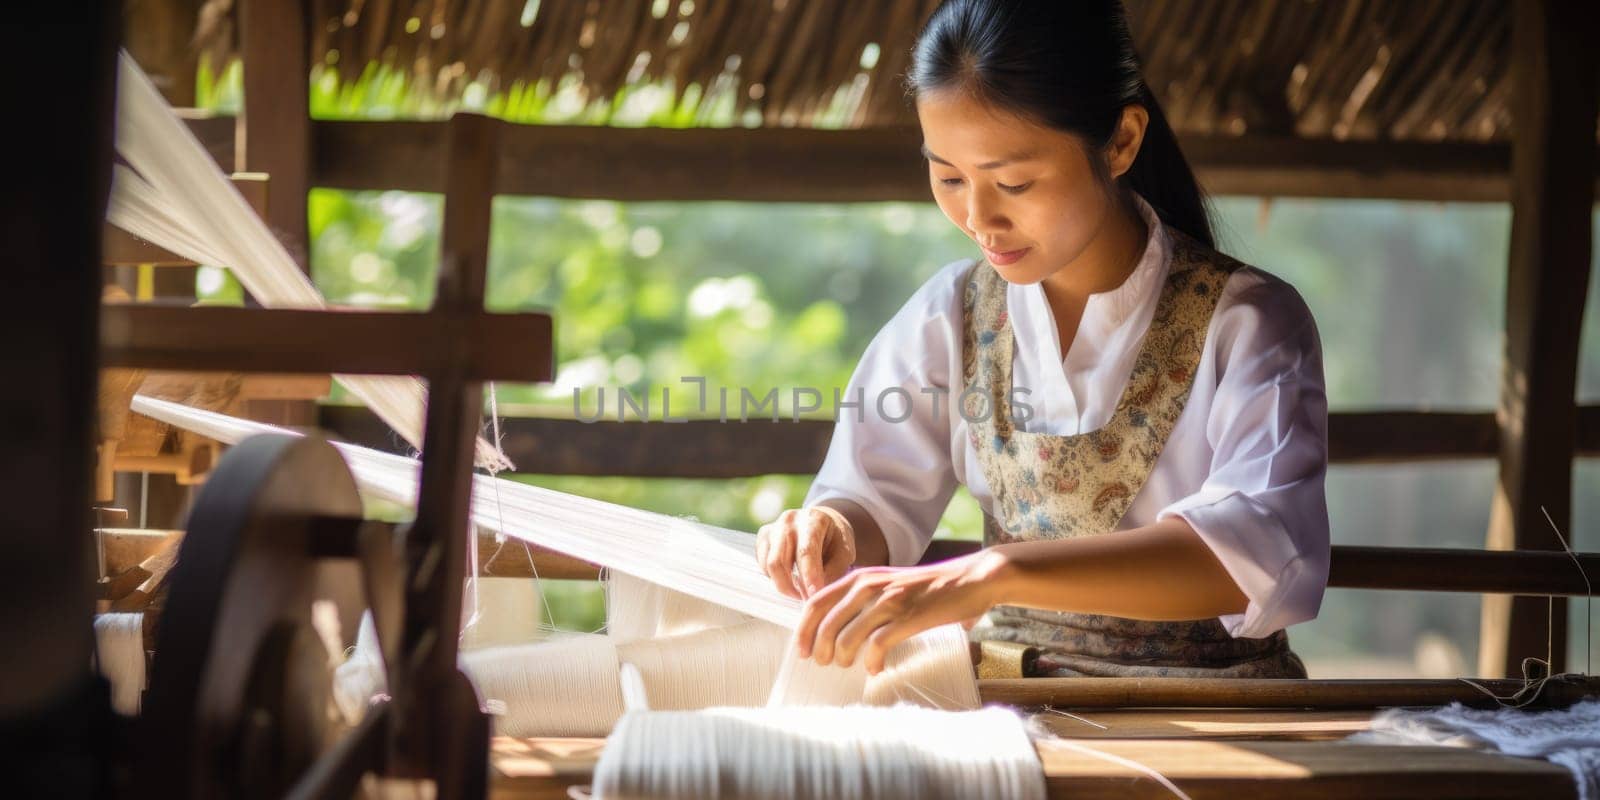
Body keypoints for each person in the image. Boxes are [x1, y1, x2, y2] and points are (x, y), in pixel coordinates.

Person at [755, 0, 1329, 680]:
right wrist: (833, 532)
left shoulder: (1248, 324)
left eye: (1013, 182)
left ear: (1120, 142)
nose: (977, 217)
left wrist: (996, 572)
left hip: (1209, 711)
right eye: (948, 177)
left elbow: (1253, 557)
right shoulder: (954, 314)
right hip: (1007, 698)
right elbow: (874, 494)